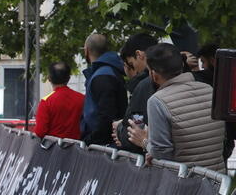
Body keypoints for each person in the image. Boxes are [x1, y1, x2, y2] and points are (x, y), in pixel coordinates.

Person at [128, 43, 226, 171]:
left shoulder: (157, 101)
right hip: (218, 181)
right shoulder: (209, 89)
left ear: (153, 74)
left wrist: (144, 141)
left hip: (185, 183)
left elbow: (162, 154)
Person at [112, 33, 158, 154]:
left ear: (139, 54)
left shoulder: (144, 86)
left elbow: (137, 127)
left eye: (131, 64)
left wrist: (120, 128)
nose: (134, 70)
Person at [79, 32, 126, 145]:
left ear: (86, 50)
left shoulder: (102, 75)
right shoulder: (110, 72)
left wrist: (91, 140)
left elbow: (106, 115)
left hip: (103, 145)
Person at [33, 62, 84, 140]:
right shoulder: (82, 98)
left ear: (49, 78)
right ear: (68, 78)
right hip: (76, 148)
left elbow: (40, 132)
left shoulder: (46, 102)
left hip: (52, 149)